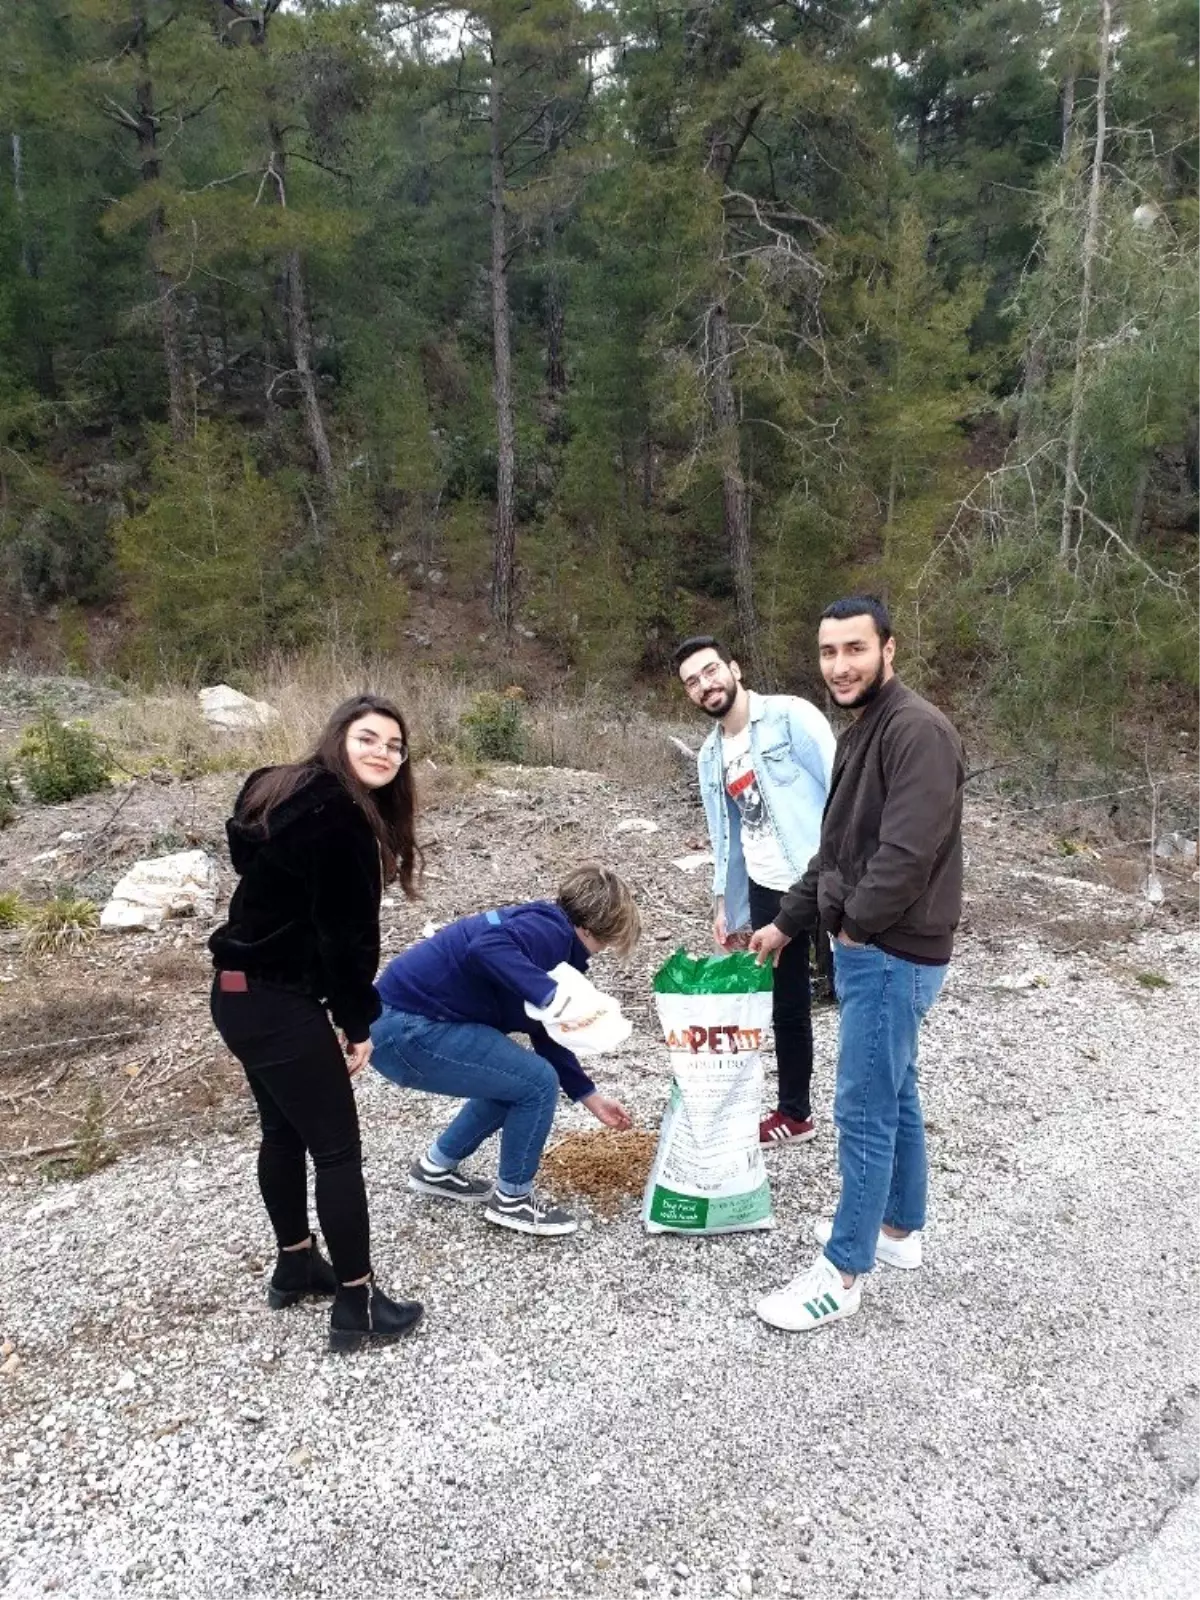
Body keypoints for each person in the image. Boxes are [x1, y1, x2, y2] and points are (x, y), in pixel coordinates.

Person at [750, 597, 964, 1333]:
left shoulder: (919, 733)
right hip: (875, 945)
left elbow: (907, 857)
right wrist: (786, 923)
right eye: (828, 651)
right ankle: (898, 1230)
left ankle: (842, 1272)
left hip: (892, 951)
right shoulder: (861, 731)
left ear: (889, 650)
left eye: (855, 649)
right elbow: (835, 852)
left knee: (863, 1106)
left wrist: (856, 932)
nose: (840, 665)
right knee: (895, 1092)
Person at [210, 694, 425, 1353]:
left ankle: (297, 1262)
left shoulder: (276, 787)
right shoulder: (341, 818)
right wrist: (357, 1023)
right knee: (336, 1150)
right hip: (278, 1002)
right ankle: (357, 1303)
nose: (383, 752)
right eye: (369, 738)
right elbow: (347, 939)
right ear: (339, 738)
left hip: (234, 994)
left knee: (281, 1131)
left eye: (395, 744)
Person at [370, 866, 640, 1238]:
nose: (600, 953)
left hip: (400, 1027)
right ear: (593, 929)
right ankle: (513, 1200)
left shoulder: (543, 932)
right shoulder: (550, 932)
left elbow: (545, 1031)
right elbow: (486, 947)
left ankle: (435, 1168)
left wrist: (590, 1096)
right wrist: (548, 994)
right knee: (537, 1083)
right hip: (406, 1028)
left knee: (514, 1079)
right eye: (606, 944)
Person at [673, 635, 835, 1147]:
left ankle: (874, 1109)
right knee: (786, 1003)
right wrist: (725, 904)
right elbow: (728, 837)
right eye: (693, 682)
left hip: (825, 880)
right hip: (769, 890)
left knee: (857, 991)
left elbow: (843, 792)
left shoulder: (791, 717)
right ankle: (795, 1113)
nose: (705, 685)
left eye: (710, 671)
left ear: (734, 668)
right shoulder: (709, 757)